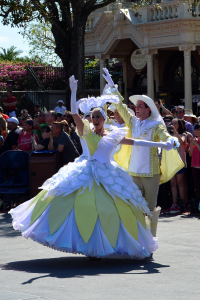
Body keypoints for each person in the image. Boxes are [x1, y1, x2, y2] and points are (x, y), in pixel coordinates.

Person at [9, 75, 159, 259]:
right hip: (86, 170)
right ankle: (89, 245)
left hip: (109, 173)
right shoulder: (86, 131)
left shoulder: (113, 134)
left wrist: (163, 146)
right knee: (78, 204)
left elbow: (135, 142)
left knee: (114, 208)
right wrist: (73, 92)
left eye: (98, 116)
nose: (94, 119)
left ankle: (112, 244)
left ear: (104, 119)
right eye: (92, 116)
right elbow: (74, 113)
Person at [102, 68, 183, 237]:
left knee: (150, 208)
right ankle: (137, 238)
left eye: (140, 106)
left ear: (148, 109)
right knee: (134, 205)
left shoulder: (156, 125)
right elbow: (122, 107)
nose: (136, 109)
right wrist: (113, 87)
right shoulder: (133, 123)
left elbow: (164, 135)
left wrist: (170, 141)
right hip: (133, 172)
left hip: (151, 173)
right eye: (136, 106)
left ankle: (151, 239)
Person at [169, 119, 187, 213]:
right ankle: (174, 204)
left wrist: (175, 132)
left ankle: (182, 203)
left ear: (179, 125)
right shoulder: (168, 135)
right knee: (173, 184)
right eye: (172, 123)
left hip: (180, 163)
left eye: (175, 123)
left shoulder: (183, 134)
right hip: (171, 163)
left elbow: (181, 142)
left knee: (180, 183)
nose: (173, 125)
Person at [189, 124, 200, 200]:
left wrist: (196, 143)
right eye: (196, 130)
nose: (197, 132)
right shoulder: (193, 140)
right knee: (197, 187)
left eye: (198, 130)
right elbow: (190, 154)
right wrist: (192, 144)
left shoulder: (195, 141)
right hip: (194, 166)